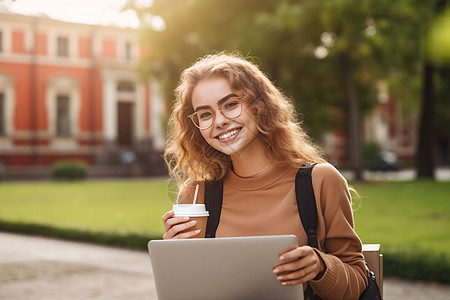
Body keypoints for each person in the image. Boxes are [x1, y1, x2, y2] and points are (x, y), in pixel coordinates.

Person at [162, 53, 368, 299]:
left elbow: (358, 284)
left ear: (259, 106)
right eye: (205, 114)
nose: (219, 121)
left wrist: (320, 266)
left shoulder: (320, 181)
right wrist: (175, 257)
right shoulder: (197, 196)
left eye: (230, 105)